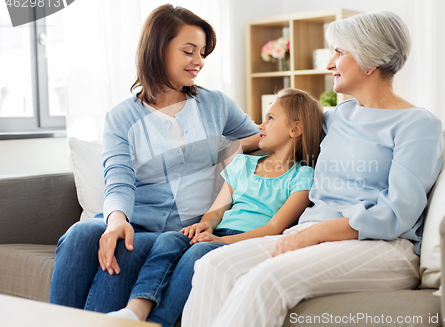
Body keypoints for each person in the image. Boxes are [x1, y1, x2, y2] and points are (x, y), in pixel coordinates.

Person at [182, 11, 444, 327]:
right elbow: (280, 131)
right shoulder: (337, 117)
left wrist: (316, 233)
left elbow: (396, 213)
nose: (329, 64)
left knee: (268, 280)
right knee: (214, 265)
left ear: (370, 60)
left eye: (339, 52)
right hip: (310, 233)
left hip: (383, 247)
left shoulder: (417, 125)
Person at [49, 4, 261, 315]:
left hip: (179, 232)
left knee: (127, 250)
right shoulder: (122, 117)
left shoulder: (216, 105)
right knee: (81, 233)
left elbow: (267, 135)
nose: (199, 62)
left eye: (203, 52)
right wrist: (117, 221)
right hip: (135, 220)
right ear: (158, 50)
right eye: (189, 51)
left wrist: (229, 148)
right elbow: (118, 178)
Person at [107, 87, 324, 326]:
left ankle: (157, 321)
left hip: (245, 241)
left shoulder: (302, 176)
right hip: (218, 234)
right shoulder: (242, 164)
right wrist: (204, 225)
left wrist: (221, 243)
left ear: (295, 129)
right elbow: (218, 210)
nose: (260, 126)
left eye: (270, 118)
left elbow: (274, 227)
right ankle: (135, 310)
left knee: (199, 253)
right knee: (169, 240)